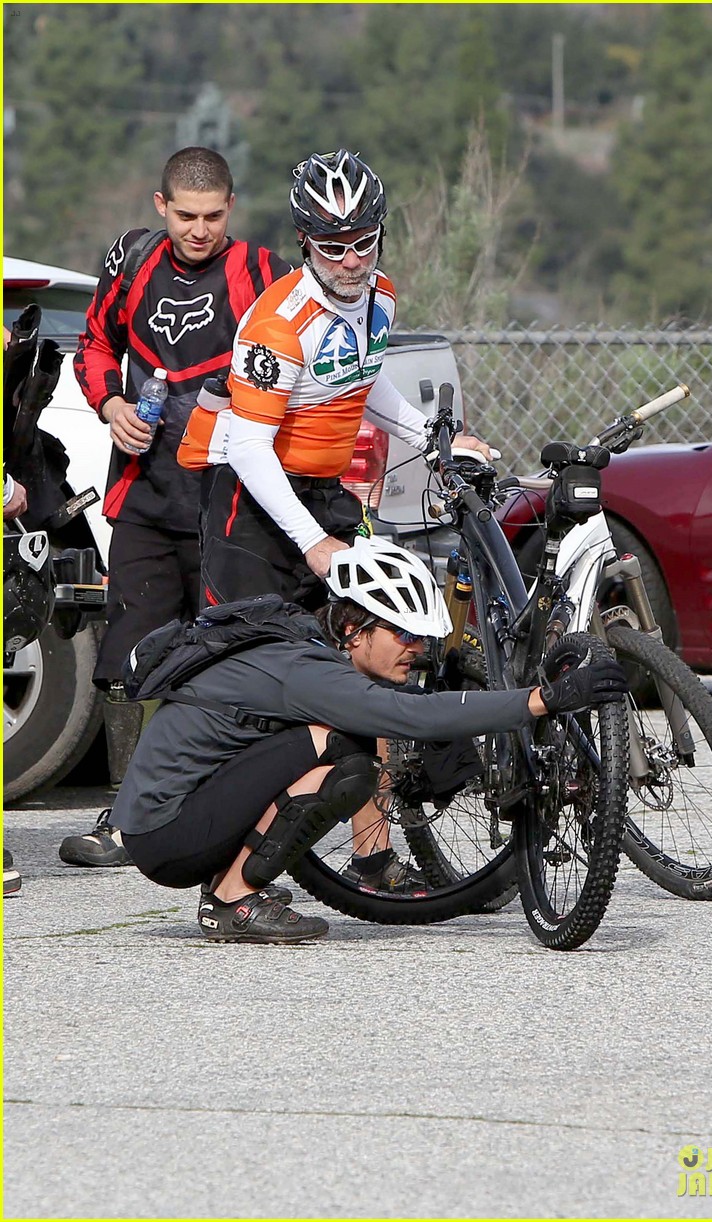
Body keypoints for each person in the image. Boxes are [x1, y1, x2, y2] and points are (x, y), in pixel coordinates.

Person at [177, 148, 492, 888]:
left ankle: (374, 857)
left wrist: (431, 437)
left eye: (362, 242)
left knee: (377, 664)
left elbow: (363, 372)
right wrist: (311, 542)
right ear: (303, 242)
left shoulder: (377, 294)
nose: (350, 260)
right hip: (251, 501)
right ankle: (227, 870)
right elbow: (249, 447)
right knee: (253, 683)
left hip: (322, 489)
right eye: (331, 246)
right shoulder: (278, 322)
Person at [111, 537, 628, 944]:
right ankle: (231, 902)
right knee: (346, 763)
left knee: (339, 742)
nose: (417, 648)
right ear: (356, 629)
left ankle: (228, 877)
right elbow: (411, 715)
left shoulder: (309, 646)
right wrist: (541, 699)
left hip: (173, 820)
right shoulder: (308, 673)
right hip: (166, 836)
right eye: (403, 634)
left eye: (421, 637)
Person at [58, 147, 291, 870]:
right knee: (132, 660)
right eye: (186, 216)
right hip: (145, 497)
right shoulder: (129, 262)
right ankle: (128, 815)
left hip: (232, 505)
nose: (200, 230)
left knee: (235, 659)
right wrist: (111, 403)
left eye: (214, 216)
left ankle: (241, 814)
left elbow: (296, 363)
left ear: (232, 208)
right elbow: (95, 344)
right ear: (161, 207)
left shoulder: (261, 271)